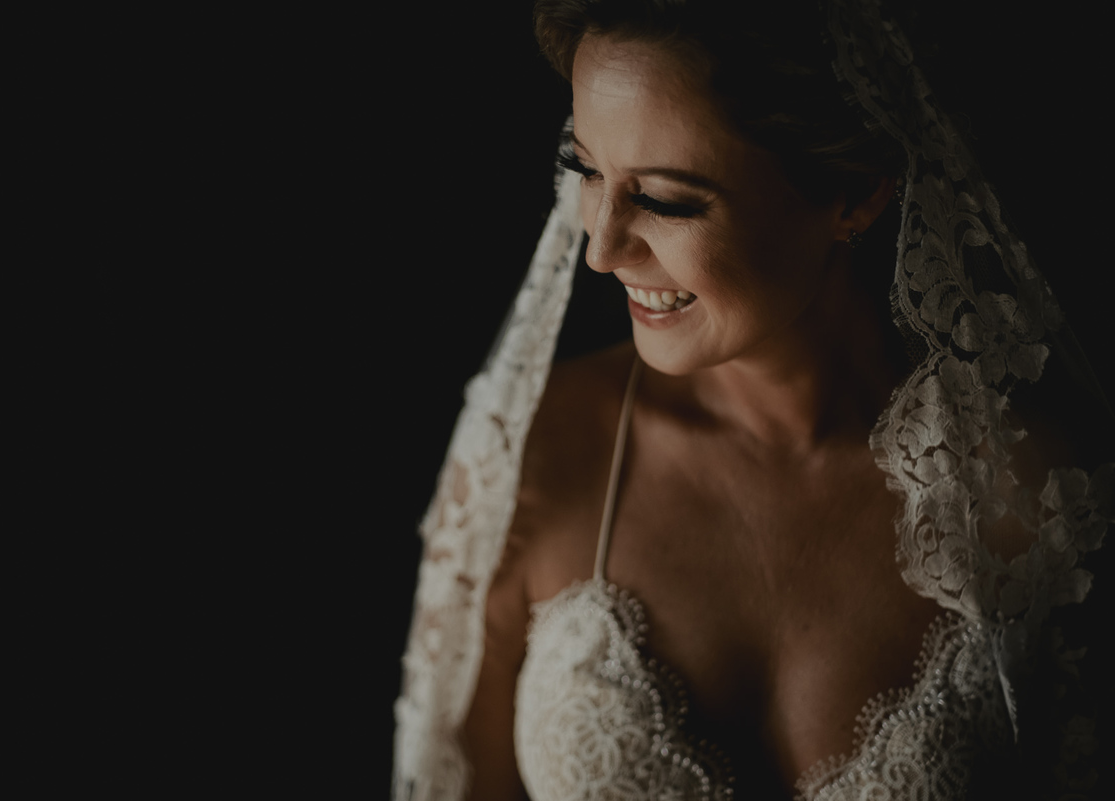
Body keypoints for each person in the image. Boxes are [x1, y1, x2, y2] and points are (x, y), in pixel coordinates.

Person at [394, 1, 1114, 799]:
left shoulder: (1032, 494)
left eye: (667, 199)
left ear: (856, 190)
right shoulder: (532, 457)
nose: (600, 247)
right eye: (587, 169)